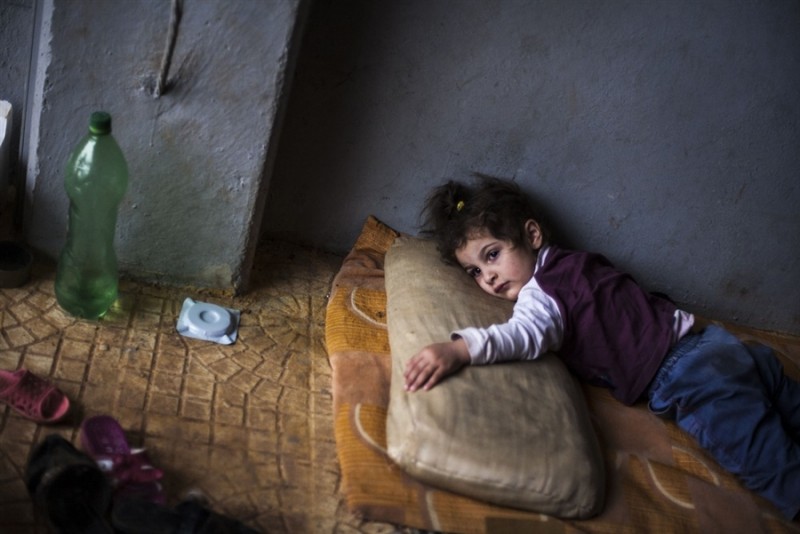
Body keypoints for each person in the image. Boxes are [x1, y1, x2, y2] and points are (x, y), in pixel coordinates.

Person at [403, 175, 800, 520]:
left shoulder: (540, 295)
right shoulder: (573, 262)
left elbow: (521, 335)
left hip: (686, 374)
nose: (488, 277)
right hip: (716, 344)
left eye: (493, 255)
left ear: (532, 235)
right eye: (474, 271)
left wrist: (460, 349)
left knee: (767, 461)